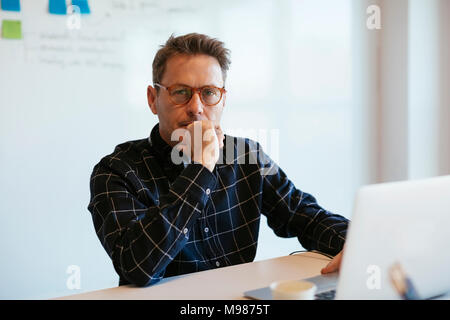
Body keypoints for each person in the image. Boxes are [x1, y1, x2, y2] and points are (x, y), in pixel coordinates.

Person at [88, 33, 349, 287]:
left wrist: (356, 245)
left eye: (209, 93)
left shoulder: (247, 156)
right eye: (180, 92)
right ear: (153, 99)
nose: (196, 107)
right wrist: (200, 168)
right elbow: (139, 267)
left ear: (223, 100)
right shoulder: (116, 171)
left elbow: (305, 216)